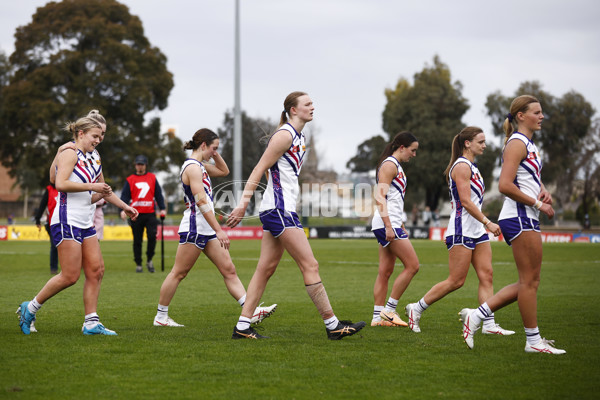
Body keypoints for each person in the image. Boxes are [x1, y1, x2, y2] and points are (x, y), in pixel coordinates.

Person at [227, 91, 365, 340]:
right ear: (293, 110)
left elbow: (273, 172)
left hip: (280, 209)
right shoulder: (285, 135)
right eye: (307, 104)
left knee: (265, 269)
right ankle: (333, 325)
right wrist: (242, 205)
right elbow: (259, 168)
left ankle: (242, 327)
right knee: (310, 265)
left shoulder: (299, 137)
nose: (313, 107)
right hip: (279, 211)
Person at [459, 95, 565, 354]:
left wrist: (542, 189)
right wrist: (540, 205)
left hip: (524, 216)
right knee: (529, 282)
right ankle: (533, 341)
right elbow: (505, 185)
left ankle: (477, 316)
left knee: (529, 281)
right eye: (536, 112)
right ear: (521, 116)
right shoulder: (517, 143)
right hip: (519, 217)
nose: (541, 117)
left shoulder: (526, 143)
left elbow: (526, 176)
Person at [17, 114, 138, 336]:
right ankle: (30, 308)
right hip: (66, 219)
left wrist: (125, 206)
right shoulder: (70, 154)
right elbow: (60, 183)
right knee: (70, 276)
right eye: (95, 135)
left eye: (102, 135)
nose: (99, 139)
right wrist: (92, 186)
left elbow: (103, 189)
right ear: (80, 133)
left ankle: (91, 323)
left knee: (96, 270)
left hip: (85, 221)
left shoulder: (96, 156)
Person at [153, 128, 276, 327]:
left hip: (206, 228)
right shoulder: (193, 167)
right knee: (179, 273)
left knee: (229, 270)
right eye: (213, 148)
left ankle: (250, 311)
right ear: (203, 145)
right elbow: (201, 202)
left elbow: (224, 171)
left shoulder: (200, 165)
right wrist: (219, 230)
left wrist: (215, 154)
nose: (215, 152)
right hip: (195, 227)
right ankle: (161, 317)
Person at [404, 127, 514, 337]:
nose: (484, 145)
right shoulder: (462, 167)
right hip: (461, 230)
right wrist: (488, 222)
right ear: (467, 143)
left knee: (487, 275)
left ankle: (489, 323)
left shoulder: (472, 166)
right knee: (456, 281)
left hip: (476, 230)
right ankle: (416, 308)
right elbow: (465, 201)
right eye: (480, 142)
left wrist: (483, 224)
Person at [370, 132, 420, 327]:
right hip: (386, 224)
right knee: (413, 266)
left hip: (390, 223)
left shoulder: (395, 166)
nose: (414, 155)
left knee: (385, 270)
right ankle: (389, 310)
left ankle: (377, 318)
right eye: (412, 150)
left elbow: (395, 199)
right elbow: (380, 197)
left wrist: (401, 224)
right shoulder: (390, 165)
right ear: (401, 147)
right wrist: (390, 226)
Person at [120, 155, 167, 273]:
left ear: (145, 165)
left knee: (152, 236)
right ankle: (139, 263)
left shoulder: (152, 178)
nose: (140, 166)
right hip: (135, 214)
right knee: (137, 240)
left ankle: (149, 259)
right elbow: (124, 197)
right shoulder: (130, 180)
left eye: (142, 164)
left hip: (150, 214)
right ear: (135, 165)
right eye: (138, 164)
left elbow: (158, 194)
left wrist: (162, 208)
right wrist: (122, 209)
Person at [34, 182, 60, 274]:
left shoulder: (66, 187)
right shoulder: (49, 189)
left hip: (66, 222)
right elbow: (42, 205)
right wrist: (38, 219)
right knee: (54, 245)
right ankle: (53, 268)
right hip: (51, 223)